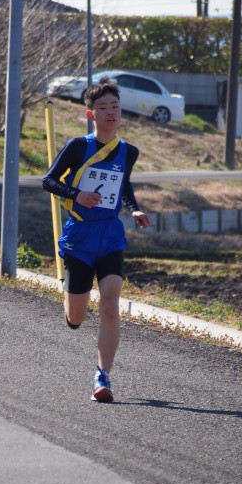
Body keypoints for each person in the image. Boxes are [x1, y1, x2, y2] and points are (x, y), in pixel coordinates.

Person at [42, 77, 150, 402]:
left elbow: (124, 185)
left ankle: (102, 377)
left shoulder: (128, 151)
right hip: (79, 236)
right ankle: (71, 306)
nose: (110, 112)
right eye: (102, 107)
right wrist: (78, 194)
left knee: (110, 305)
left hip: (110, 236)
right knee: (77, 316)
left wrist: (134, 209)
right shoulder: (79, 146)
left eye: (114, 106)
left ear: (120, 111)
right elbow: (49, 181)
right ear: (91, 114)